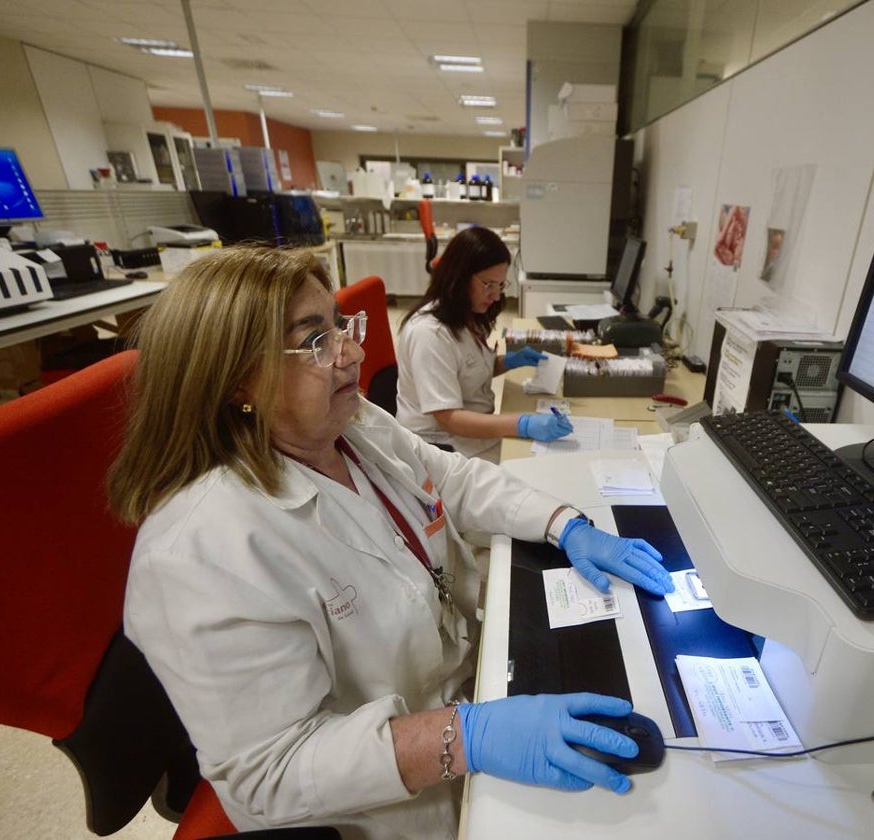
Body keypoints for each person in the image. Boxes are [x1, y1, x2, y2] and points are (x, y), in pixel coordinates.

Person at [107, 245, 675, 840]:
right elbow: (271, 773)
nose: (352, 352)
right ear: (234, 381)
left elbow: (451, 477)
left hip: (469, 685)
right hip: (386, 803)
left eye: (338, 326)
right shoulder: (198, 553)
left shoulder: (349, 426)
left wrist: (564, 522)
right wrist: (465, 735)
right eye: (315, 341)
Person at [396, 226, 572, 460]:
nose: (496, 296)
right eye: (488, 284)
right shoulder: (429, 334)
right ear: (458, 278)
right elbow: (449, 418)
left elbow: (467, 369)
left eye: (500, 285)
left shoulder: (467, 314)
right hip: (440, 448)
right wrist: (523, 424)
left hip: (470, 435)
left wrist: (506, 362)